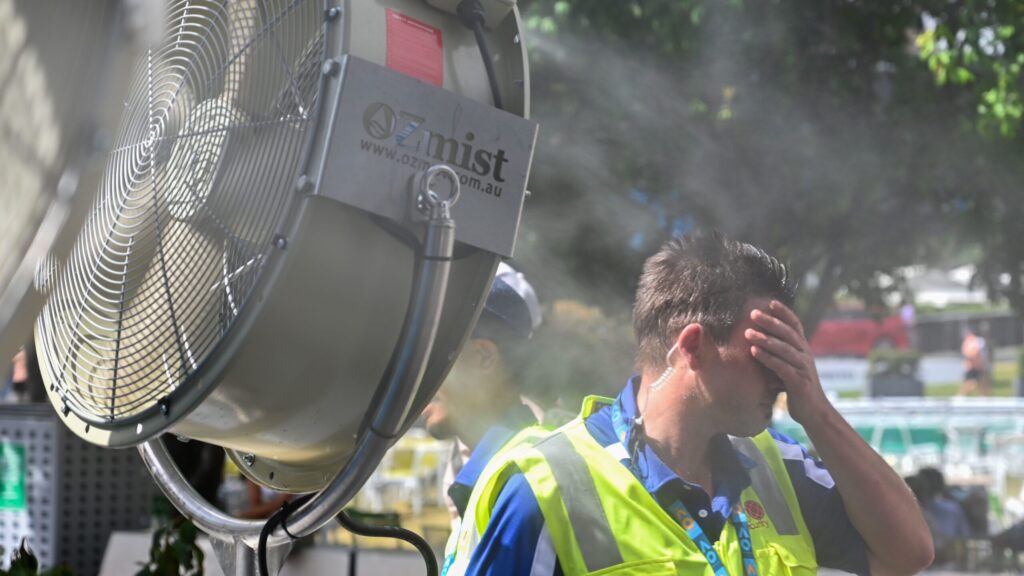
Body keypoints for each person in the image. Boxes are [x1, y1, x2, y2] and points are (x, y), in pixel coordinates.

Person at [447, 232, 933, 576]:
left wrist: (818, 412)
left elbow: (909, 555)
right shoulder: (547, 486)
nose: (787, 377)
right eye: (769, 351)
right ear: (695, 345)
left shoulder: (779, 468)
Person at [419, 263, 546, 571]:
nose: (416, 376)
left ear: (483, 357)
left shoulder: (524, 484)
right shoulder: (485, 471)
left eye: (428, 355)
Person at [959, 326, 991, 396]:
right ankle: (960, 398)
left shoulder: (975, 341)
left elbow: (975, 353)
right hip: (972, 367)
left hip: (977, 366)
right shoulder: (969, 341)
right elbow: (968, 354)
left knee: (982, 384)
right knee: (971, 384)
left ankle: (986, 399)